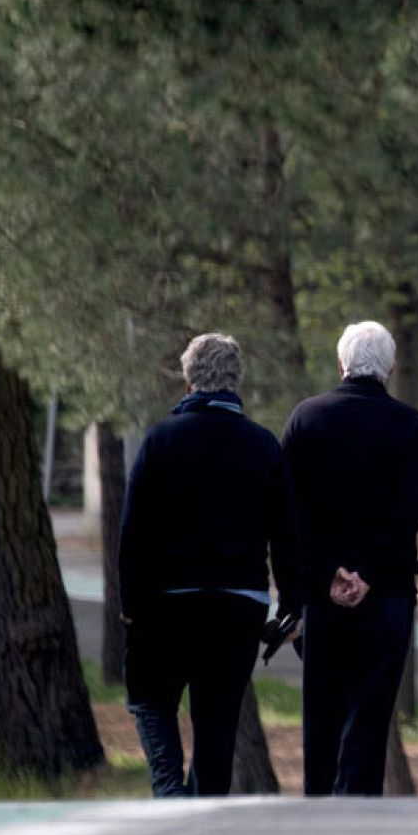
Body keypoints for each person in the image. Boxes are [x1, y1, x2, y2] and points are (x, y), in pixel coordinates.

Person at [119, 333, 304, 797]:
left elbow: (133, 532)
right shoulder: (262, 446)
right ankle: (206, 821)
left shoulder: (161, 441)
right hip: (238, 605)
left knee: (151, 701)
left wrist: (130, 603)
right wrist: (290, 605)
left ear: (188, 382)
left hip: (167, 602)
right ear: (236, 383)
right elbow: (285, 534)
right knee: (217, 726)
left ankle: (168, 792)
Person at [284, 321, 418, 796]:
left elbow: (291, 510)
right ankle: (358, 821)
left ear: (341, 364)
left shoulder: (306, 419)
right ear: (389, 368)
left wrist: (329, 572)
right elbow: (409, 511)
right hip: (386, 592)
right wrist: (366, 573)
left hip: (321, 598)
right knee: (369, 720)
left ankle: (317, 819)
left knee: (321, 714)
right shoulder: (409, 426)